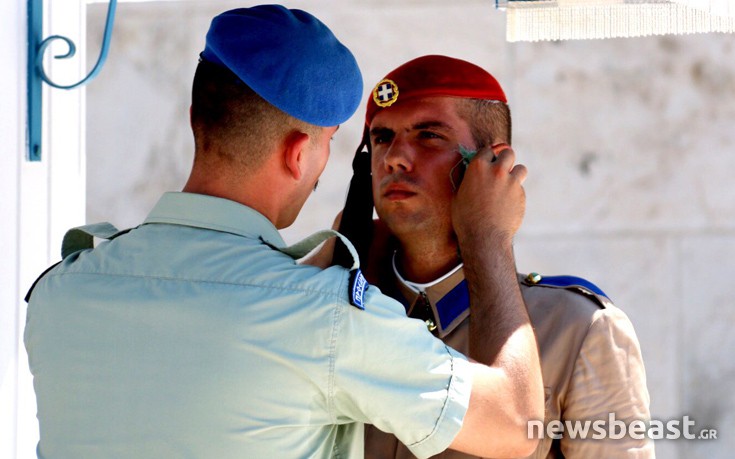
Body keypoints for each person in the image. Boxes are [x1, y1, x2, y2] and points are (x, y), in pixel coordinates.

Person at [23, 8, 543, 459]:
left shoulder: (63, 288)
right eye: (331, 145)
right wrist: (488, 238)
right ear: (299, 153)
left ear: (194, 120)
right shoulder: (325, 319)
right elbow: (517, 424)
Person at [334, 55, 655, 458]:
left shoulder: (577, 327)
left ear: (493, 162)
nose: (394, 157)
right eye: (381, 138)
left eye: (428, 135)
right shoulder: (330, 302)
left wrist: (487, 238)